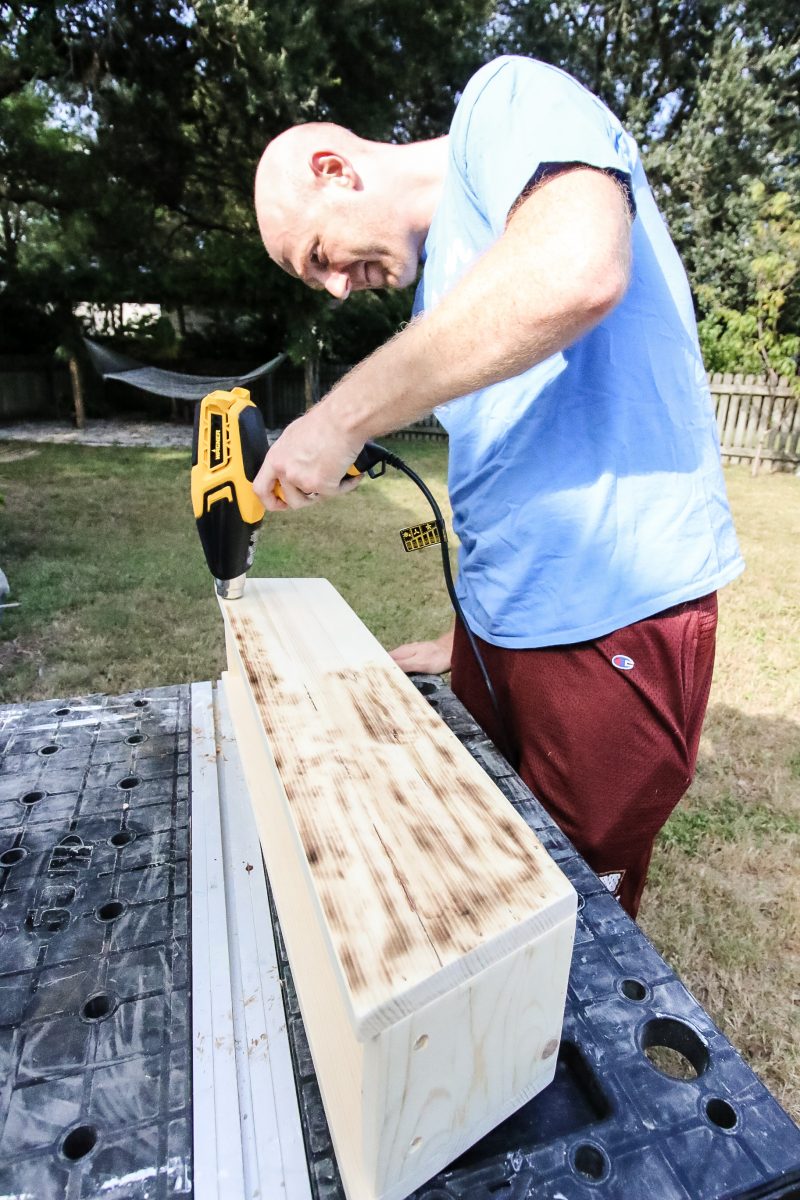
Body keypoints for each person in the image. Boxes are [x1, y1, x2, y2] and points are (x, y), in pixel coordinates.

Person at [251, 55, 744, 918]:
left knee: (574, 915)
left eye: (319, 256)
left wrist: (339, 419)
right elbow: (501, 472)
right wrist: (466, 629)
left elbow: (576, 268)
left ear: (334, 169)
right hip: (499, 632)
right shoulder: (441, 296)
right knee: (497, 880)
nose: (333, 287)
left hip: (609, 615)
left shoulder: (506, 99)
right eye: (315, 279)